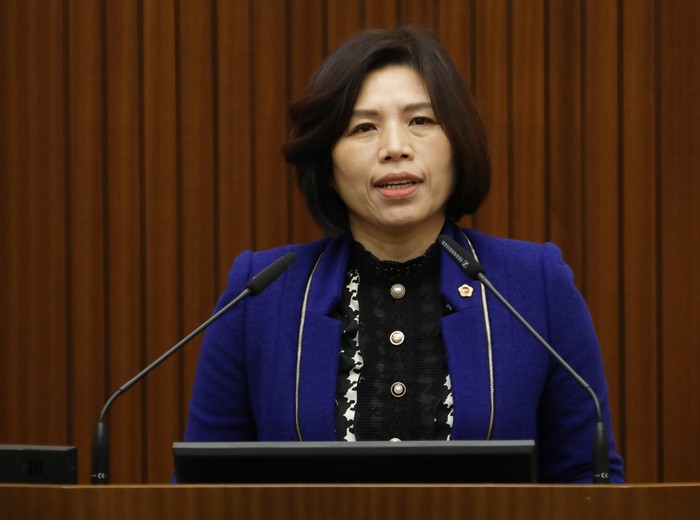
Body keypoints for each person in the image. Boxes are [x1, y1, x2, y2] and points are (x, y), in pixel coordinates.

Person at [183, 26, 625, 483]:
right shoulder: (261, 293)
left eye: (421, 121)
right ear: (327, 163)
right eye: (364, 127)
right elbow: (203, 488)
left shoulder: (534, 284)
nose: (395, 148)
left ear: (458, 144)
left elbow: (587, 478)